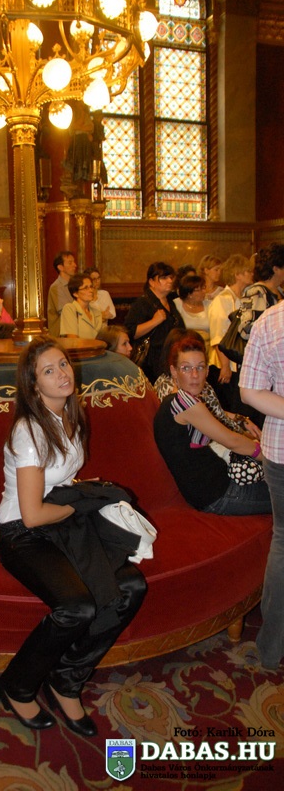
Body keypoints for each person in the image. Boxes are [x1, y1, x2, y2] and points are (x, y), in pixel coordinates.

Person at [0, 336, 147, 736]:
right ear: (33, 386)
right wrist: (81, 503)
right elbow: (32, 515)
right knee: (77, 607)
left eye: (63, 364)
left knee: (131, 586)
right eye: (49, 371)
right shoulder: (29, 432)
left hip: (61, 525)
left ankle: (66, 679)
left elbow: (61, 483)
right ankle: (16, 685)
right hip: (23, 535)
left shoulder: (70, 415)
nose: (62, 374)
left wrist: (84, 495)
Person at [153, 334, 271, 515]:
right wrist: (271, 458)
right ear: (174, 371)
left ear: (207, 371)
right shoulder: (183, 403)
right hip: (217, 495)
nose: (195, 375)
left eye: (200, 367)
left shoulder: (179, 401)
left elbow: (222, 421)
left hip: (217, 485)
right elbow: (232, 441)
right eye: (186, 368)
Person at [240, 303, 284, 670]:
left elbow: (251, 392)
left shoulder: (271, 319)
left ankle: (271, 648)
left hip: (281, 448)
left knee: (283, 543)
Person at [207, 254, 254, 412]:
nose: (252, 274)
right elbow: (218, 337)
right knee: (232, 407)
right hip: (227, 363)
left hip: (242, 362)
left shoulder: (246, 297)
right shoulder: (222, 300)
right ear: (237, 274)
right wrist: (225, 366)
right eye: (248, 271)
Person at [124, 262, 184, 383]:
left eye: (171, 277)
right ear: (151, 282)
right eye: (164, 278)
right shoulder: (143, 303)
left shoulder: (170, 301)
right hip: (152, 363)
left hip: (172, 357)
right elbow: (130, 332)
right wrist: (154, 321)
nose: (169, 281)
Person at [237, 244, 284, 341]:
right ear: (276, 269)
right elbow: (246, 330)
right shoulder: (257, 292)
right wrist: (275, 317)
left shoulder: (280, 291)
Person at [60, 273, 103, 340]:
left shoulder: (97, 312)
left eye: (91, 287)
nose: (91, 290)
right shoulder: (70, 309)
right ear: (75, 293)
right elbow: (72, 340)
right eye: (86, 288)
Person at [173, 274, 210, 349]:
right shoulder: (176, 304)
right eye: (199, 290)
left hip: (206, 346)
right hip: (183, 345)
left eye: (204, 288)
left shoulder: (210, 305)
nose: (204, 291)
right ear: (189, 294)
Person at [47, 251, 78, 337]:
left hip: (74, 332)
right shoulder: (56, 287)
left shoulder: (74, 285)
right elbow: (67, 312)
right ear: (60, 267)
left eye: (74, 262)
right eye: (70, 263)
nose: (75, 265)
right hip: (62, 336)